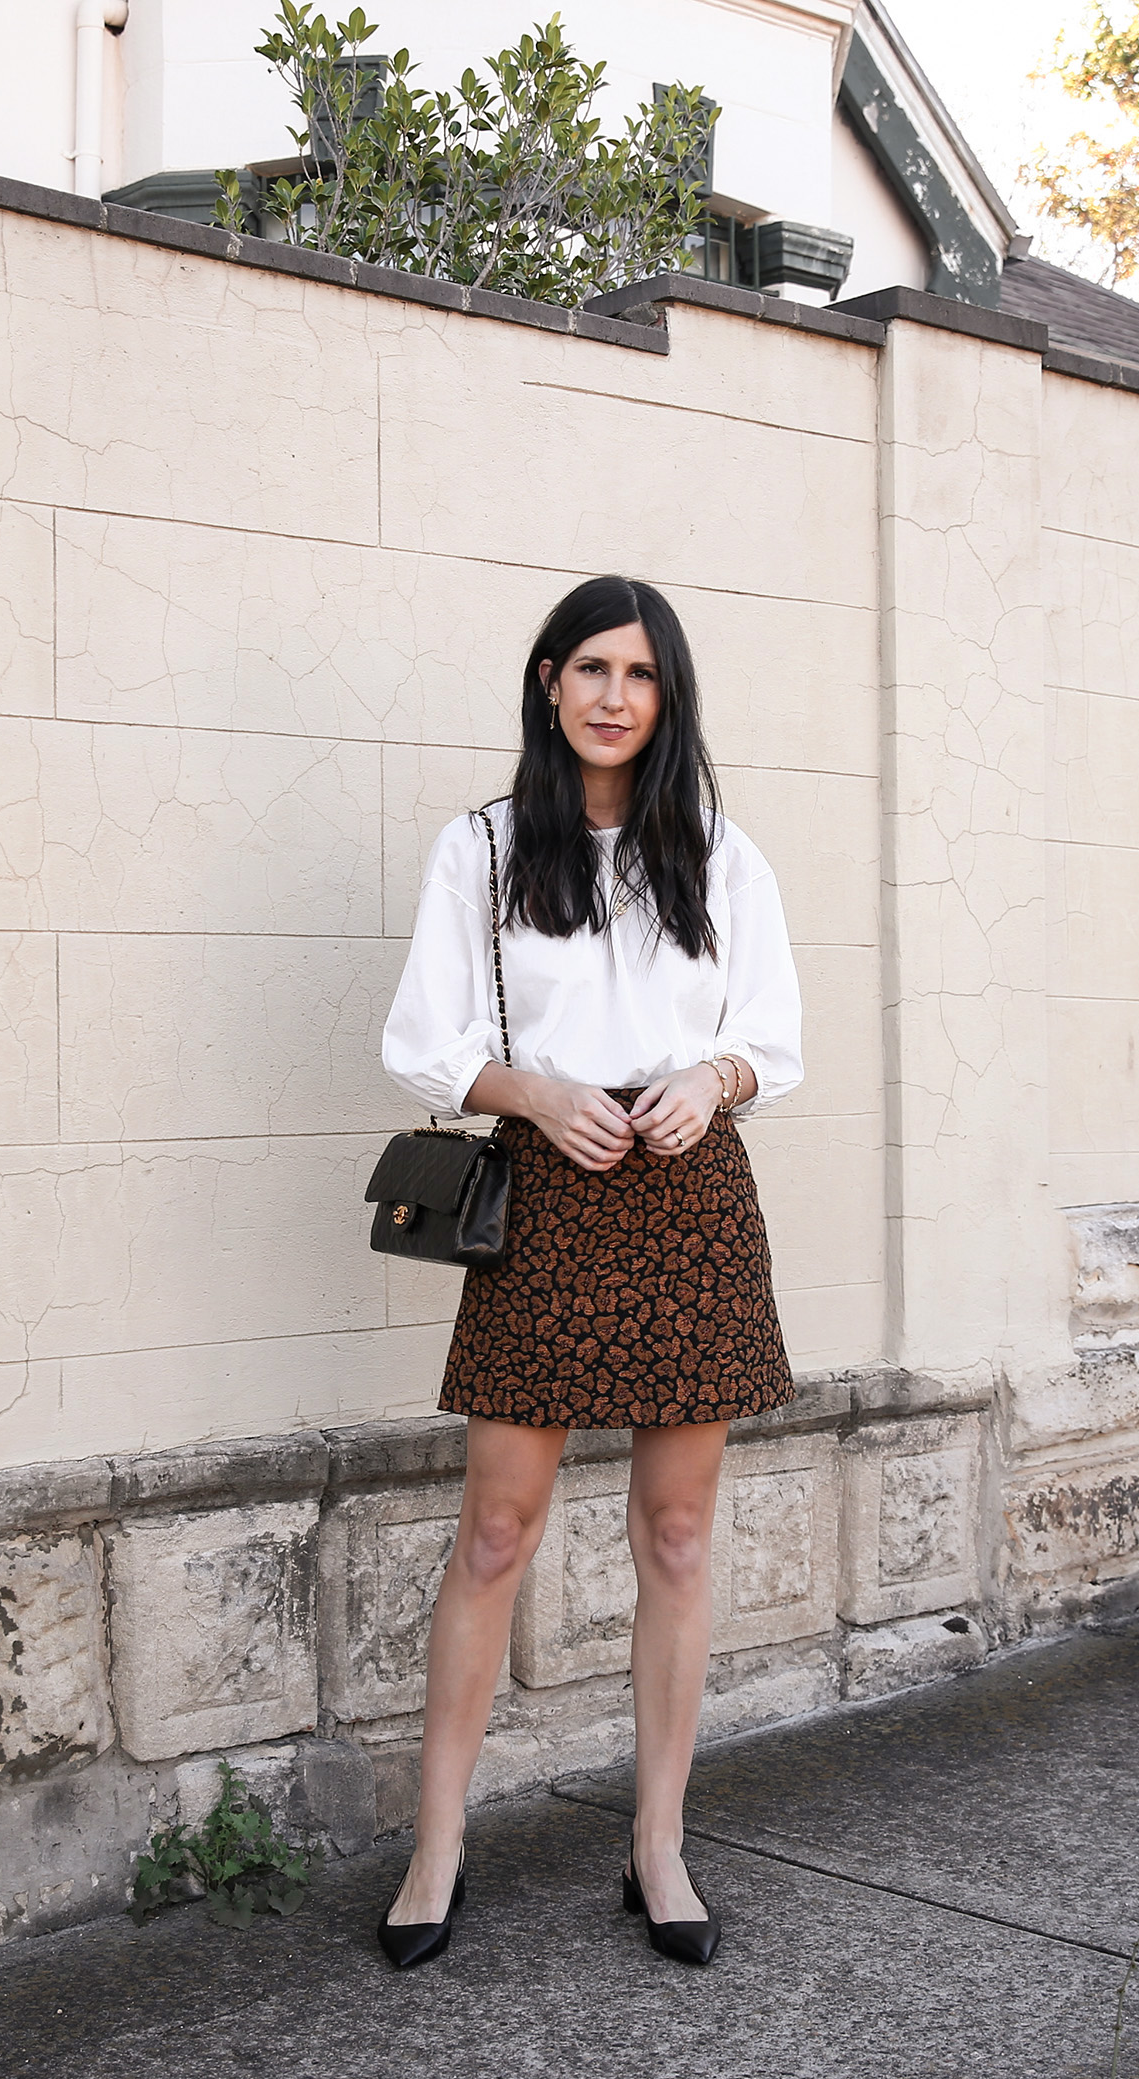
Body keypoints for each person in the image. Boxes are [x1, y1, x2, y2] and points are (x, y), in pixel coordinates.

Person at [376, 574, 803, 1969]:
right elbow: (425, 1040)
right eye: (592, 668)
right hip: (549, 1195)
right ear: (549, 681)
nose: (617, 695)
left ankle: (657, 1843)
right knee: (497, 1531)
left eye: (643, 674)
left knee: (677, 1535)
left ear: (665, 698)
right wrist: (538, 1092)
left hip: (689, 1197)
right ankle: (437, 1844)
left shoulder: (721, 854)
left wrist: (710, 1074)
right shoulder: (485, 849)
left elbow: (775, 1038)